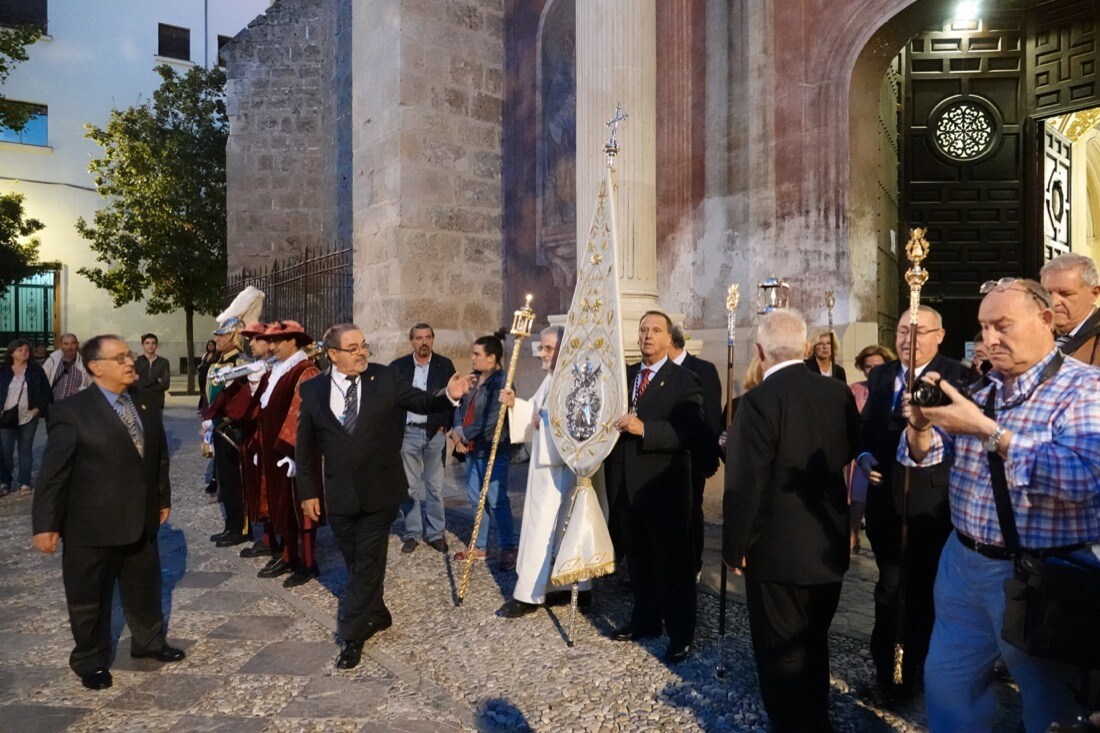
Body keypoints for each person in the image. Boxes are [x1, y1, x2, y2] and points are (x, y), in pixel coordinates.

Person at [902, 278, 1100, 733]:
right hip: (962, 563)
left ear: (1046, 320)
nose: (989, 339)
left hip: (1040, 573)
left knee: (1051, 703)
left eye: (1002, 326)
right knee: (948, 686)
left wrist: (989, 432)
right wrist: (919, 424)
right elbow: (923, 456)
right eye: (983, 327)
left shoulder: (1084, 388)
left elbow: (1085, 479)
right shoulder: (982, 389)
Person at [295, 323, 471, 669]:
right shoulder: (313, 390)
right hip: (340, 493)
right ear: (333, 354)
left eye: (364, 346)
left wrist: (448, 394)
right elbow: (306, 447)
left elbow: (419, 401)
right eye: (353, 348)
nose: (362, 353)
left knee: (367, 563)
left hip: (380, 491)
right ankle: (377, 611)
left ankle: (352, 634)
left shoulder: (385, 378)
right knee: (355, 560)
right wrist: (308, 492)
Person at [724, 309, 858, 733]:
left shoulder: (758, 401)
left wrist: (734, 546)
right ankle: (816, 717)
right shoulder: (836, 393)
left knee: (780, 647)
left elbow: (746, 483)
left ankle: (793, 723)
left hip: (775, 549)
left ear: (759, 351)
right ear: (804, 348)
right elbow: (850, 451)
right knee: (814, 639)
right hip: (825, 539)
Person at [31, 334, 184, 691]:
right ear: (96, 367)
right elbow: (54, 474)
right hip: (91, 524)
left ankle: (149, 641)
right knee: (89, 597)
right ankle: (90, 658)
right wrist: (45, 524)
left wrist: (162, 499)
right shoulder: (71, 412)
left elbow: (157, 458)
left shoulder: (145, 402)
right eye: (120, 358)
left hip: (140, 518)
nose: (129, 362)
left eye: (129, 355)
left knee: (145, 585)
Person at [855, 306, 965, 702]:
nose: (907, 340)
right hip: (887, 502)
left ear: (939, 335)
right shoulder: (883, 375)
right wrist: (866, 458)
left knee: (926, 589)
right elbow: (865, 428)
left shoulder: (956, 375)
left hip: (932, 504)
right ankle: (889, 671)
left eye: (918, 333)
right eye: (902, 331)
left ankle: (921, 664)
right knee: (889, 587)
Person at [604, 310, 707, 663]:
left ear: (668, 339)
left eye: (655, 330)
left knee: (674, 567)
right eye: (643, 329)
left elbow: (689, 432)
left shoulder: (685, 381)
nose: (647, 335)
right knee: (640, 564)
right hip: (627, 488)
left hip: (664, 489)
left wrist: (644, 428)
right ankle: (644, 621)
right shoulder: (626, 375)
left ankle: (681, 635)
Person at [496, 325, 591, 617]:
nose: (542, 355)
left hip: (559, 469)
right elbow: (535, 411)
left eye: (548, 348)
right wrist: (517, 406)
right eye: (542, 348)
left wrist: (544, 420)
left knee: (549, 529)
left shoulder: (576, 380)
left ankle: (531, 594)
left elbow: (580, 425)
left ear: (564, 348)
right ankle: (560, 586)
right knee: (546, 527)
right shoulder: (552, 378)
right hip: (544, 468)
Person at [253, 320, 323, 588]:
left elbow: (302, 413)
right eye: (269, 341)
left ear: (293, 341)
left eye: (276, 342)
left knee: (301, 505)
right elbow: (265, 409)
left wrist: (293, 451)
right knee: (281, 505)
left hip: (295, 453)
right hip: (276, 451)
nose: (271, 346)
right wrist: (260, 445)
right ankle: (287, 554)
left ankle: (308, 562)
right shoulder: (278, 370)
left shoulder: (305, 371)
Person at [450, 329, 518, 569]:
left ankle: (510, 547)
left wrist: (463, 433)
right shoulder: (473, 378)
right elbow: (459, 405)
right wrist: (458, 429)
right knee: (475, 498)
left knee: (496, 499)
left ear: (492, 358)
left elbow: (492, 418)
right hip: (472, 449)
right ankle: (480, 547)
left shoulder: (503, 383)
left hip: (493, 448)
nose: (472, 358)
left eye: (477, 354)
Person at [390, 323, 456, 554]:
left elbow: (452, 397)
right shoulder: (398, 367)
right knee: (409, 487)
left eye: (428, 337)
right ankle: (413, 532)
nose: (423, 342)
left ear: (433, 339)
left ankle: (436, 533)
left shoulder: (444, 365)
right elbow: (391, 399)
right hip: (408, 433)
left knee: (435, 487)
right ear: (412, 341)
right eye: (419, 338)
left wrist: (445, 425)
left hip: (435, 433)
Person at [668, 323, 723, 576]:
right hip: (661, 456)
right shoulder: (656, 371)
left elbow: (710, 416)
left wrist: (707, 455)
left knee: (691, 509)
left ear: (671, 341)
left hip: (691, 454)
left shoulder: (703, 370)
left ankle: (693, 565)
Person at [848, 344, 897, 553]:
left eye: (878, 365)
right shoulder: (855, 389)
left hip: (886, 450)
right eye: (868, 366)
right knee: (858, 493)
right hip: (862, 450)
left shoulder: (894, 387)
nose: (873, 370)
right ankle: (852, 533)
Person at [1, 339, 52, 495]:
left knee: (25, 449)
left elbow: (46, 393)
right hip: (6, 416)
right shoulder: (3, 370)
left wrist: (37, 409)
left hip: (28, 416)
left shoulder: (35, 371)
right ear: (12, 352)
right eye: (20, 350)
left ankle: (25, 482)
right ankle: (4, 481)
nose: (24, 353)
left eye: (27, 350)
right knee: (5, 451)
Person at [1040, 252, 1100, 367]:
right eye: (1047, 293)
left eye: (1065, 294)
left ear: (1094, 293)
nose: (1053, 302)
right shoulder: (1035, 333)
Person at [42, 333, 92, 403]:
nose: (69, 347)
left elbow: (93, 387)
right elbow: (41, 381)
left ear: (77, 344)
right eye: (66, 344)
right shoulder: (52, 361)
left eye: (73, 343)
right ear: (60, 346)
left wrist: (81, 390)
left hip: (75, 408)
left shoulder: (85, 364)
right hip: (53, 407)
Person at [134, 333, 171, 409]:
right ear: (142, 345)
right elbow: (133, 384)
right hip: (139, 401)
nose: (150, 346)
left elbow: (165, 385)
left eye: (153, 343)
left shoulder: (163, 362)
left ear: (157, 345)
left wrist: (141, 381)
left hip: (157, 402)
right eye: (147, 343)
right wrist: (156, 381)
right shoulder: (136, 362)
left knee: (157, 421)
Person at [196, 339, 218, 413]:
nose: (210, 346)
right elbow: (202, 363)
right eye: (209, 345)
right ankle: (202, 407)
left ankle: (201, 407)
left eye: (212, 345)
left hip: (209, 375)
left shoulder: (217, 355)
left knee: (206, 391)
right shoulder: (206, 354)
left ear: (215, 346)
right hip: (202, 375)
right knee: (202, 391)